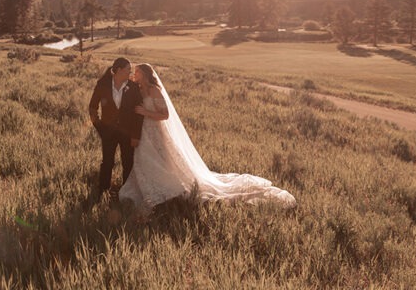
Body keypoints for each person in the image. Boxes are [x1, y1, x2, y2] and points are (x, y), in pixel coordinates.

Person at [119, 63, 296, 213]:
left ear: (144, 74)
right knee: (144, 159)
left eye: (137, 72)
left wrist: (146, 112)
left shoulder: (154, 90)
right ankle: (147, 189)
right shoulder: (137, 89)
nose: (134, 74)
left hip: (156, 132)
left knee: (163, 160)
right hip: (143, 132)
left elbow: (165, 115)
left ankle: (166, 190)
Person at [89, 58, 144, 194]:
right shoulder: (103, 84)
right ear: (119, 70)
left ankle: (127, 192)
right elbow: (92, 106)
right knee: (107, 162)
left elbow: (139, 113)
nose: (130, 73)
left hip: (128, 133)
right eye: (128, 69)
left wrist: (136, 135)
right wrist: (99, 127)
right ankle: (103, 190)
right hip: (107, 132)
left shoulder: (133, 87)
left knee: (128, 162)